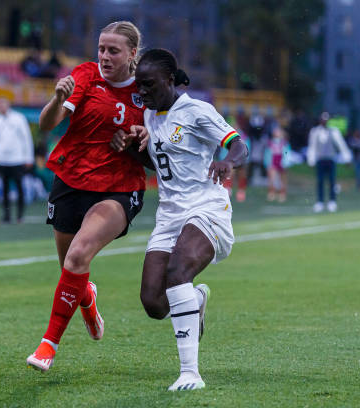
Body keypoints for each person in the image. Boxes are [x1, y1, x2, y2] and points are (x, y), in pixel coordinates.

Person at [110, 48, 248, 391]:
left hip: (207, 206)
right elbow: (160, 164)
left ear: (170, 80)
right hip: (169, 214)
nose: (142, 91)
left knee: (177, 274)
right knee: (153, 303)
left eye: (149, 84)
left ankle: (190, 373)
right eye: (139, 85)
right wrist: (128, 148)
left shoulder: (196, 110)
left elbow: (239, 144)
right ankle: (196, 300)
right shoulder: (148, 116)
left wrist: (228, 161)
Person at [26, 21, 147, 372]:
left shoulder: (146, 89)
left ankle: (48, 345)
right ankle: (87, 298)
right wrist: (58, 99)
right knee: (71, 266)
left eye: (114, 51)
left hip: (120, 186)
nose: (105, 57)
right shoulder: (85, 75)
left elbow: (159, 141)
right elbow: (47, 125)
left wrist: (142, 135)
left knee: (78, 255)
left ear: (132, 54)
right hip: (71, 179)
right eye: (101, 49)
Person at [0, 98, 34, 223]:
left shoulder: (19, 118)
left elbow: (26, 138)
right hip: (2, 160)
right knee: (4, 189)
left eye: (3, 104)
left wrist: (28, 157)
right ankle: (6, 216)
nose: (1, 106)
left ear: (8, 105)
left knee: (19, 187)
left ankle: (20, 215)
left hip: (17, 158)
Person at [307, 112, 352, 213]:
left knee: (332, 181)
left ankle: (332, 201)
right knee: (320, 181)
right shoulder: (315, 132)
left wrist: (347, 158)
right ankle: (320, 202)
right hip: (320, 160)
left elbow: (341, 144)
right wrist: (311, 160)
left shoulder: (334, 131)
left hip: (330, 159)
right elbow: (312, 147)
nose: (324, 122)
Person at [265, 125, 291, 202]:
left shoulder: (285, 143)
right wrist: (267, 162)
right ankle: (272, 192)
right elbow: (267, 153)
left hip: (281, 161)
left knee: (282, 178)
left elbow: (287, 153)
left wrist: (286, 162)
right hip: (273, 161)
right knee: (272, 178)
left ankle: (282, 193)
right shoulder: (270, 143)